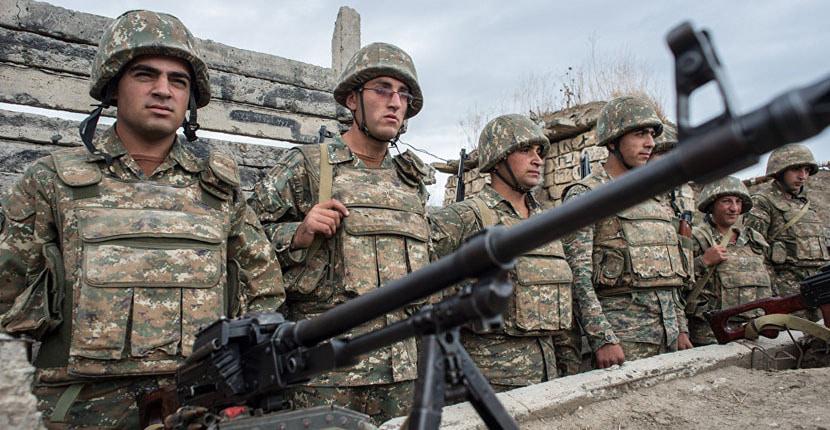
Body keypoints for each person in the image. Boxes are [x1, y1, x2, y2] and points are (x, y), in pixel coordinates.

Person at [0, 10, 285, 428]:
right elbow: (7, 295)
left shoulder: (219, 187)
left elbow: (264, 290)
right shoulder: (51, 181)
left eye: (178, 81)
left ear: (190, 99)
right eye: (145, 75)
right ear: (113, 86)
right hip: (80, 409)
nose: (163, 90)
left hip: (195, 407)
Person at [248, 42, 431, 424]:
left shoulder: (410, 183)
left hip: (401, 373)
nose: (395, 102)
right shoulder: (308, 166)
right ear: (352, 99)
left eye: (403, 94)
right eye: (382, 89)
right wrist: (298, 233)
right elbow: (244, 242)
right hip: (326, 377)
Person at [429, 114, 578, 390]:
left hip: (548, 377)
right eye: (525, 150)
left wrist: (569, 369)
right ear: (498, 159)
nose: (537, 159)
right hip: (488, 384)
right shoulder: (464, 217)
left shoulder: (547, 222)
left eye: (539, 151)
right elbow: (421, 293)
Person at [562, 96, 693, 369]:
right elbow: (578, 276)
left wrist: (681, 328)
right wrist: (603, 338)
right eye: (640, 134)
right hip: (623, 343)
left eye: (652, 134)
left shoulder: (655, 199)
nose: (650, 143)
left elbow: (671, 276)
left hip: (670, 338)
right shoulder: (587, 195)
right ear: (612, 141)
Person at [744, 144, 829, 320]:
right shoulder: (763, 202)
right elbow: (754, 253)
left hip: (820, 290)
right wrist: (774, 294)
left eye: (807, 170)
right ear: (780, 171)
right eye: (796, 169)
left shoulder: (807, 204)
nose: (803, 176)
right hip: (789, 294)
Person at [686, 176, 772, 345]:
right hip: (711, 335)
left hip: (753, 330)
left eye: (738, 202)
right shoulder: (697, 238)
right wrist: (703, 261)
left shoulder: (754, 239)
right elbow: (678, 284)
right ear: (711, 205)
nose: (734, 208)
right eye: (726, 201)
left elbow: (769, 282)